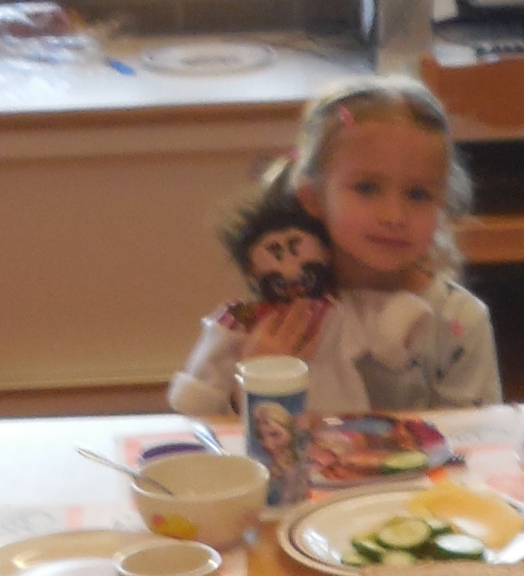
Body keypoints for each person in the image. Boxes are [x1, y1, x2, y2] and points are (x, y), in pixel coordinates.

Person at [167, 78, 498, 422]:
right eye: (367, 188)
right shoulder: (283, 306)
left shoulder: (459, 321)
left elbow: (480, 441)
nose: (394, 216)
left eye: (418, 194)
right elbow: (208, 434)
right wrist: (252, 382)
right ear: (313, 197)